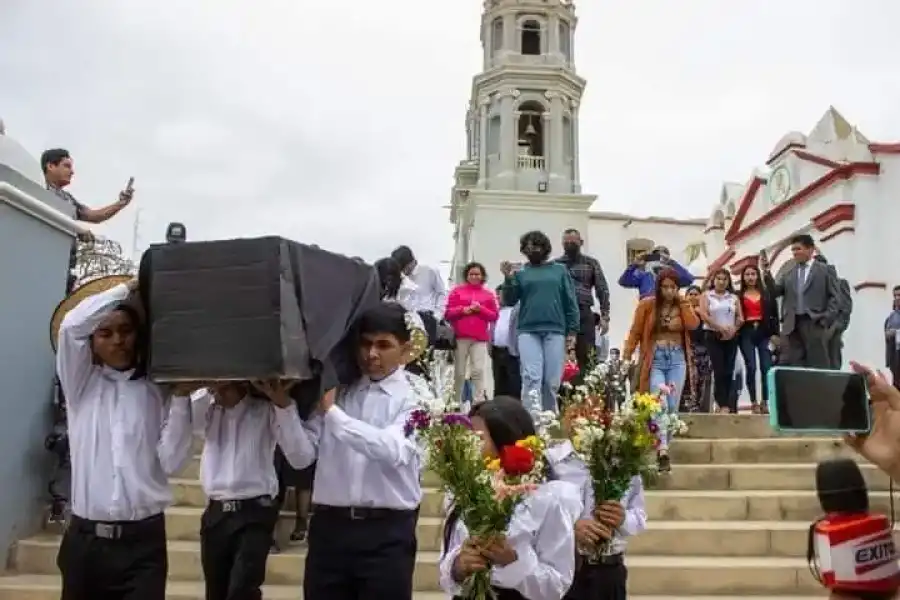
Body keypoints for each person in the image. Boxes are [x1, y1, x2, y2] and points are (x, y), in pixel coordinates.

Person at [54, 277, 195, 599]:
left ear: (139, 336)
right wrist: (128, 287)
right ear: (92, 342)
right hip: (85, 543)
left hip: (143, 544)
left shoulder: (158, 392)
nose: (118, 340)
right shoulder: (80, 387)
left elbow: (171, 463)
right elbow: (70, 327)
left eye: (126, 331)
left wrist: (182, 398)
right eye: (105, 333)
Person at [288, 302, 430, 600]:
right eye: (365, 344)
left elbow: (393, 449)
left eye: (383, 345)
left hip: (386, 532)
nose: (372, 354)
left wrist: (333, 414)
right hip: (330, 529)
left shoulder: (418, 396)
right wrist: (282, 408)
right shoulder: (339, 389)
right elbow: (301, 456)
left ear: (404, 350)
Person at [439, 397, 581, 600]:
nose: (467, 446)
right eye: (466, 438)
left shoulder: (546, 500)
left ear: (505, 442)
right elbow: (446, 570)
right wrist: (459, 566)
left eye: (478, 439)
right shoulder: (463, 492)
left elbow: (556, 585)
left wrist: (513, 561)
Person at [191, 380, 309, 600]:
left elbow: (301, 458)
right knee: (216, 592)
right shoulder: (207, 408)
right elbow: (190, 424)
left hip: (255, 510)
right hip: (216, 513)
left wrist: (283, 404)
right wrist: (208, 388)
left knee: (243, 589)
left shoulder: (265, 410)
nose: (220, 390)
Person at [545, 430, 646, 600]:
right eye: (576, 407)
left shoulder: (624, 460)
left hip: (609, 570)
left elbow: (639, 516)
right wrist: (569, 529)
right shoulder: (550, 461)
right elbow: (536, 518)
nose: (587, 411)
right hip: (564, 569)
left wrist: (622, 519)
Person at [623, 268, 700, 471]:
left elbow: (693, 324)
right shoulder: (647, 305)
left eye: (672, 287)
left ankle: (663, 446)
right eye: (664, 287)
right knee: (659, 402)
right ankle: (662, 450)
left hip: (677, 359)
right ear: (658, 287)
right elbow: (636, 331)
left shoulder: (682, 305)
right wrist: (626, 354)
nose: (668, 291)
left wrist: (682, 301)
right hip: (655, 358)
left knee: (672, 407)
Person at [501, 230, 580, 415]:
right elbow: (510, 300)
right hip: (528, 330)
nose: (531, 250)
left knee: (551, 380)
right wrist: (508, 278)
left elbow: (570, 301)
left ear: (545, 247)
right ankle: (531, 421)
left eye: (535, 246)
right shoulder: (521, 272)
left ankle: (550, 420)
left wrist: (573, 332)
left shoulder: (559, 270)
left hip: (555, 330)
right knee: (531, 377)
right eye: (527, 247)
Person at [761, 234, 840, 368]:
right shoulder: (789, 274)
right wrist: (767, 273)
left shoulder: (825, 270)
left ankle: (820, 388)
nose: (795, 253)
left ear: (810, 249)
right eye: (793, 250)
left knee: (818, 363)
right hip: (792, 325)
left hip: (814, 322)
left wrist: (827, 318)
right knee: (796, 363)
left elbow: (835, 297)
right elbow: (775, 291)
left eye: (798, 249)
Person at [556, 229, 610, 378]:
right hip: (561, 314)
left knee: (586, 354)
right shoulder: (555, 265)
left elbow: (602, 289)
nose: (569, 245)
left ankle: (585, 394)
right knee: (560, 355)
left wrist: (605, 317)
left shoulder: (591, 263)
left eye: (573, 242)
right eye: (566, 242)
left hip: (584, 312)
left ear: (581, 242)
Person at [445, 262, 499, 405]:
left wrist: (480, 309)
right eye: (471, 274)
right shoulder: (457, 291)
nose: (474, 276)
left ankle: (479, 403)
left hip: (479, 338)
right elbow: (448, 313)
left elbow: (494, 316)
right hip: (460, 337)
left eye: (477, 274)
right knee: (460, 373)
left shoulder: (488, 295)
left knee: (478, 371)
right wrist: (463, 310)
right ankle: (455, 403)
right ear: (466, 276)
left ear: (482, 276)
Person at [697, 268, 743, 413]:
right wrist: (719, 328)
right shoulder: (707, 295)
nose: (721, 282)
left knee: (730, 369)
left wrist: (733, 329)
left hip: (731, 336)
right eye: (719, 279)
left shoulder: (733, 297)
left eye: (724, 279)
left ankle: (728, 404)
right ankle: (721, 402)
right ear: (714, 280)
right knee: (719, 369)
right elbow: (704, 314)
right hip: (713, 335)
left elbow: (740, 317)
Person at [736, 264, 779, 414]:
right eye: (747, 274)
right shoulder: (738, 295)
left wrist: (775, 334)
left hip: (764, 332)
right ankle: (753, 401)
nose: (750, 277)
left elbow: (774, 314)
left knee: (766, 367)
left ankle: (765, 401)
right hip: (746, 332)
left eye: (753, 274)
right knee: (751, 367)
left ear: (757, 276)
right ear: (743, 277)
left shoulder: (766, 294)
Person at [391, 245, 447, 340]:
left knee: (425, 352)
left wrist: (437, 316)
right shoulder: (399, 276)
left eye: (405, 267)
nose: (403, 271)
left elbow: (441, 293)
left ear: (412, 261)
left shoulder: (430, 271)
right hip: (406, 319)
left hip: (427, 318)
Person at [815, 254, 853, 369]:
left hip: (834, 329)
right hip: (818, 330)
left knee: (834, 361)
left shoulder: (840, 283)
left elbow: (846, 307)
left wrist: (837, 326)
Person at [680, 285, 713, 413]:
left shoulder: (706, 311)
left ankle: (700, 406)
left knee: (702, 380)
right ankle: (688, 405)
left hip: (704, 351)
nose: (693, 297)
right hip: (688, 351)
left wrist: (701, 313)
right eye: (690, 294)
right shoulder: (682, 312)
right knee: (688, 379)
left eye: (696, 294)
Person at [617, 245, 694, 299]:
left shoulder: (673, 276)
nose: (658, 261)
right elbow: (623, 281)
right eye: (655, 257)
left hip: (668, 313)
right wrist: (634, 264)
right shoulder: (644, 275)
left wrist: (672, 262)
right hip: (648, 312)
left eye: (662, 257)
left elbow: (689, 280)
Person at [491, 287, 521, 399]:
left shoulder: (516, 310)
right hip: (497, 351)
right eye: (496, 295)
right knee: (499, 385)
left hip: (512, 352)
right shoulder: (496, 311)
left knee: (514, 385)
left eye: (500, 295)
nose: (498, 297)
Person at [885, 285, 900, 392]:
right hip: (896, 356)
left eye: (899, 295)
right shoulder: (892, 316)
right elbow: (887, 333)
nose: (897, 298)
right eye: (895, 295)